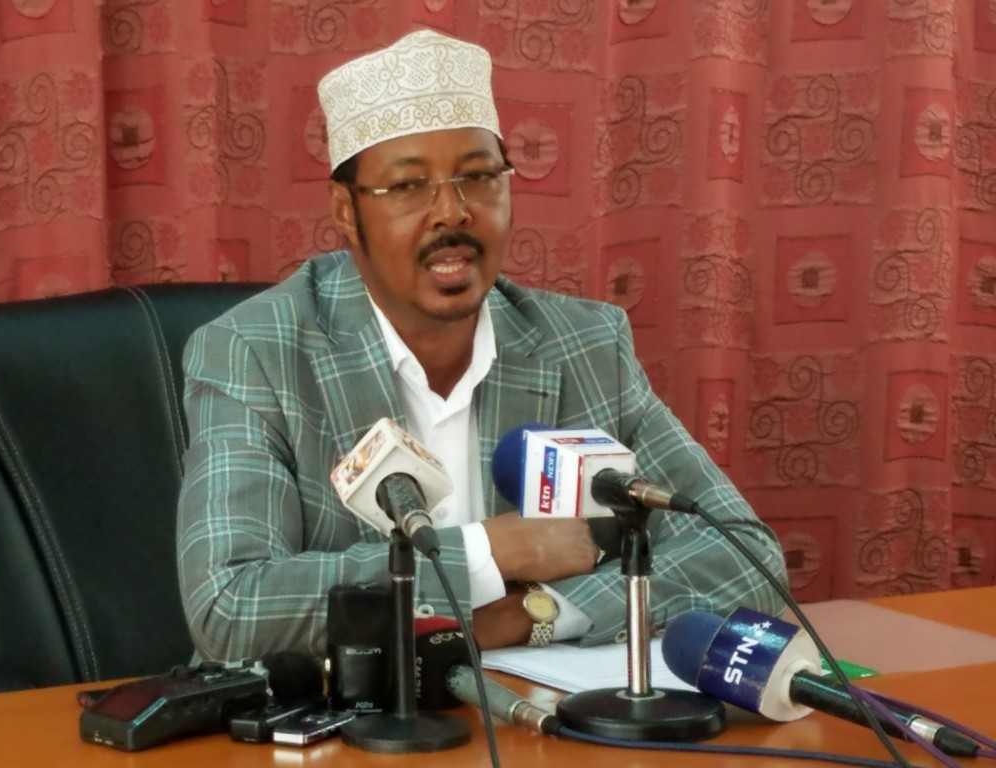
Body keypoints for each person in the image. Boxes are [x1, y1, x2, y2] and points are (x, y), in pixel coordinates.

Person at [176, 29, 787, 661]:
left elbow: (746, 554)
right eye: (408, 186)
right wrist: (491, 553)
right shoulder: (254, 352)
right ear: (346, 212)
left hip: (529, 708)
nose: (452, 212)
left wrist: (531, 615)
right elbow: (229, 606)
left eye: (478, 176)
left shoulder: (584, 345)